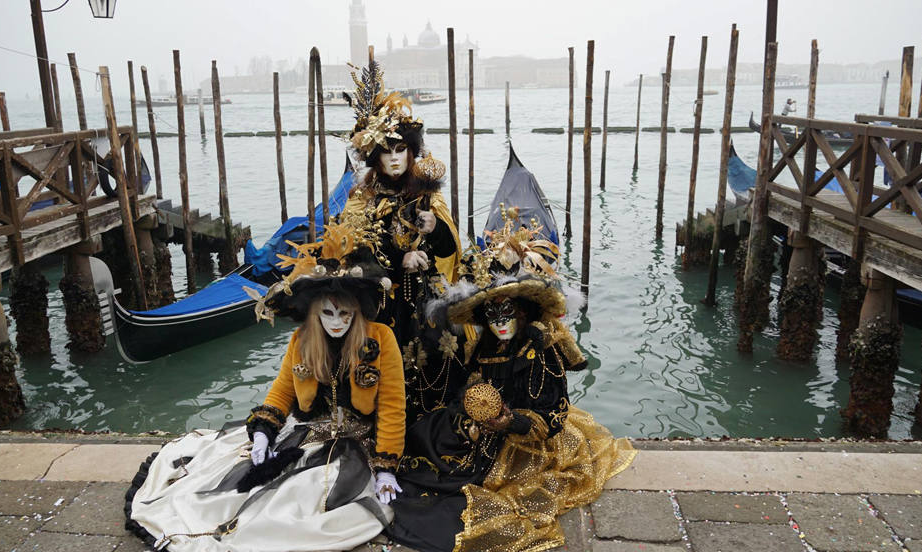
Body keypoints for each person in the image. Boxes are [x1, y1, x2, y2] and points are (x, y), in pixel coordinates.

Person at [124, 226, 406, 552]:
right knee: (242, 485)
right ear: (315, 313)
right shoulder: (301, 341)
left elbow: (391, 405)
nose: (337, 322)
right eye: (328, 313)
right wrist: (264, 432)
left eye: (345, 314)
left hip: (359, 441)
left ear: (356, 311)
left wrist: (387, 467)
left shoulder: (380, 339)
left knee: (303, 500)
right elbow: (283, 391)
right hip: (311, 432)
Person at [387, 233, 636, 552]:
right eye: (491, 314)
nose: (500, 321)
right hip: (485, 430)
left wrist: (511, 423)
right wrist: (472, 409)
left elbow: (553, 416)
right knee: (426, 438)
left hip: (524, 442)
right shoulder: (486, 345)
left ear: (522, 310)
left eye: (507, 312)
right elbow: (473, 383)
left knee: (480, 488)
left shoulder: (538, 351)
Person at [340, 60, 464, 419]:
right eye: (386, 152)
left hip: (428, 299)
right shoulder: (362, 200)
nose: (394, 159)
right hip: (385, 301)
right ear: (375, 157)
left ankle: (434, 422)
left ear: (412, 153)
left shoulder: (429, 196)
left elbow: (449, 250)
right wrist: (399, 261)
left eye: (400, 151)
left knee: (440, 360)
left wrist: (434, 228)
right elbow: (355, 253)